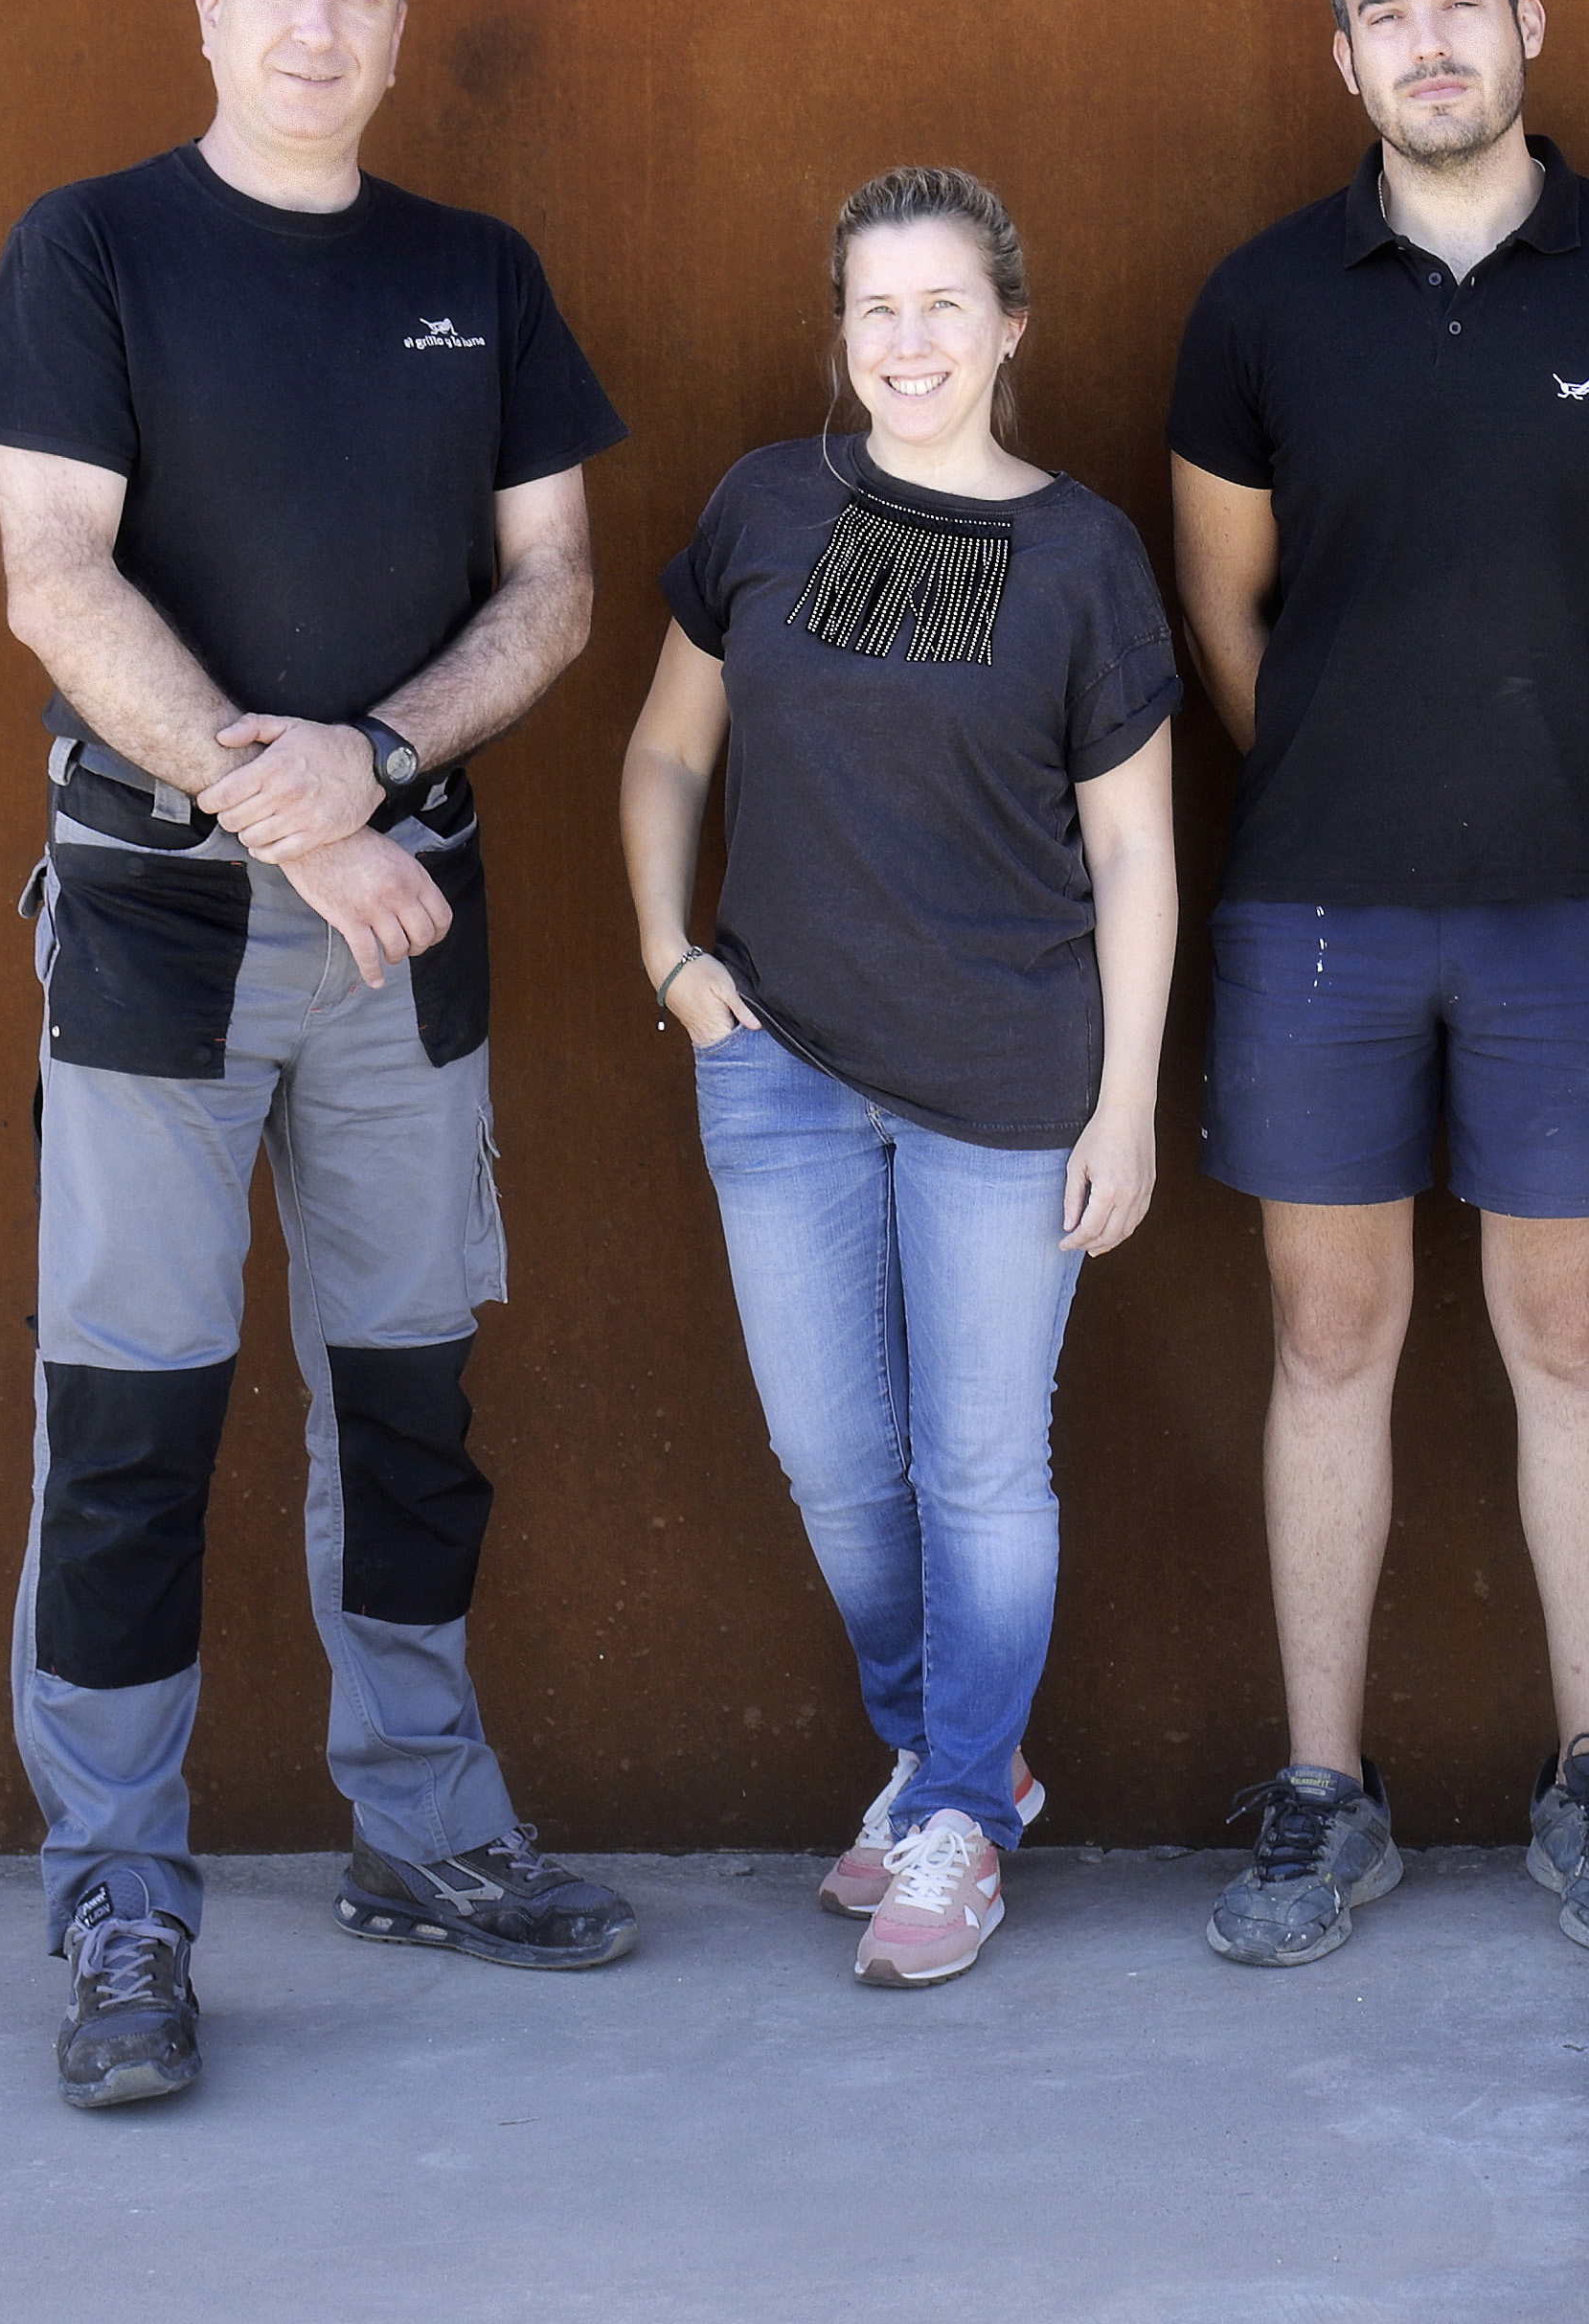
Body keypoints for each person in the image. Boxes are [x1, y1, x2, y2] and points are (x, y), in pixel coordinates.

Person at [0, 0, 640, 2115]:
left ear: (401, 26)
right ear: (206, 2)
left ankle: (422, 1831)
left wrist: (392, 765)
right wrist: (299, 812)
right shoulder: (95, 248)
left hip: (405, 938)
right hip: (158, 924)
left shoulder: (478, 275)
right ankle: (119, 1896)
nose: (319, 21)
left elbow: (556, 587)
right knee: (130, 1427)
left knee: (410, 1408)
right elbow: (53, 576)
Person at [1169, 0, 1589, 1966]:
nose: (1427, 43)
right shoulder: (1259, 304)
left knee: (1571, 1334)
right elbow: (1224, 611)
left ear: (1531, 22)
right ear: (1339, 53)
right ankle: (1324, 1791)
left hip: (1574, 917)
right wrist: (1364, 797)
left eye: (1462, 1)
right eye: (1384, 13)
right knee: (1327, 1337)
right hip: (1317, 920)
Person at [617, 166, 1181, 1993]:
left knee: (979, 1467)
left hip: (1007, 1079)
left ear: (1011, 327)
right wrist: (670, 962)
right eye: (876, 308)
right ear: (840, 332)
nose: (909, 341)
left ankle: (954, 1811)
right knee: (834, 1458)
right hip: (776, 1062)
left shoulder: (1085, 555)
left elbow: (1137, 861)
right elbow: (661, 753)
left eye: (946, 305)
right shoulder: (768, 506)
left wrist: (1128, 1104)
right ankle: (958, 1752)